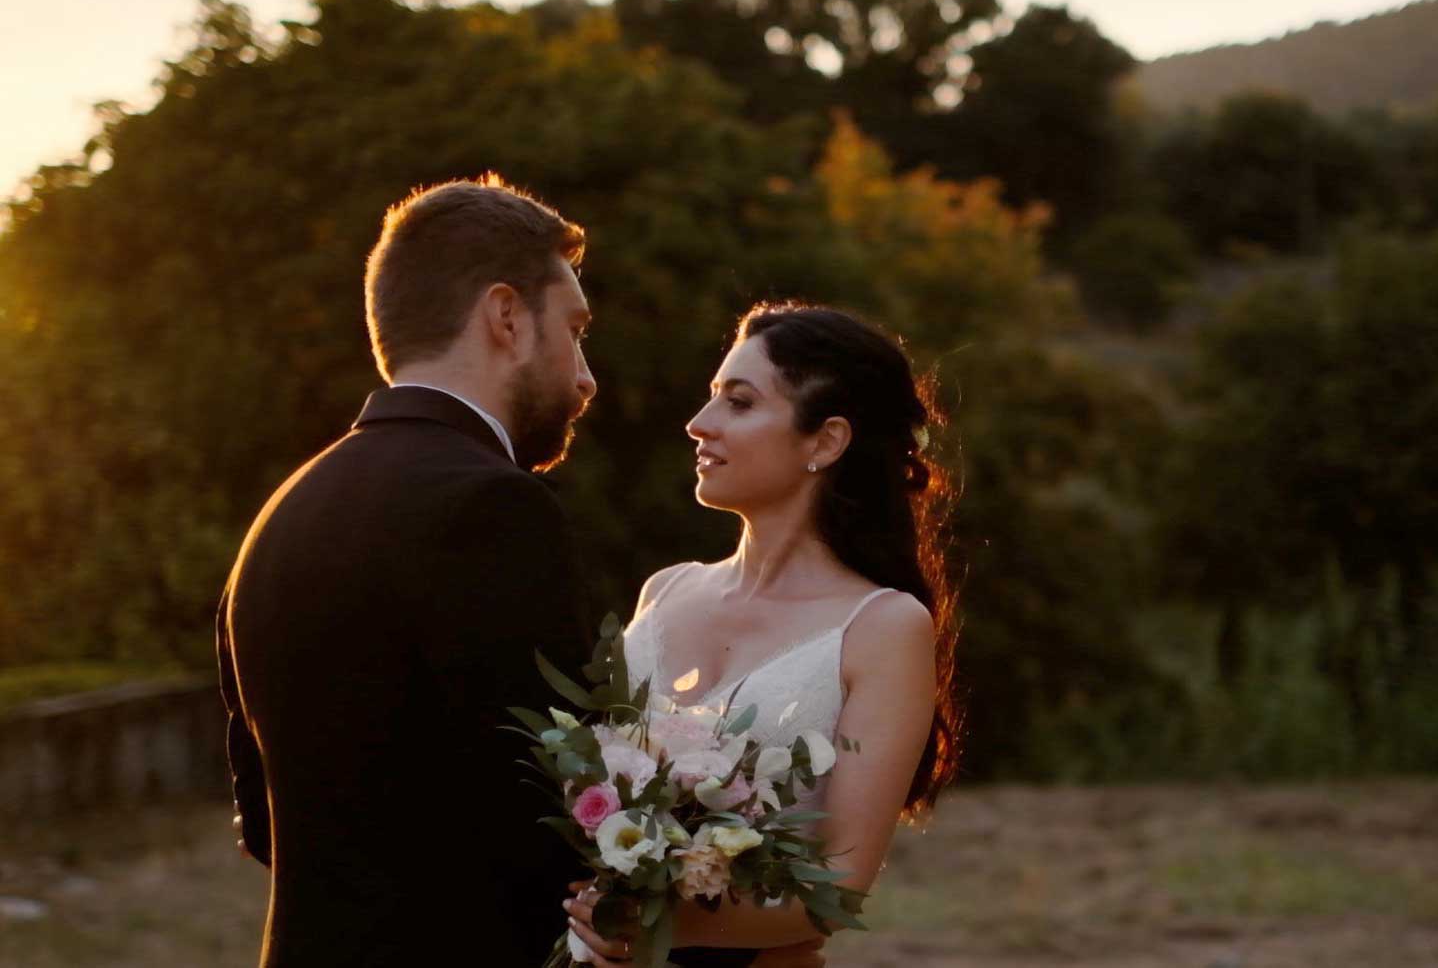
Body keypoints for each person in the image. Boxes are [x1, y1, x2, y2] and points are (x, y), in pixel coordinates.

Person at [217, 175, 601, 965]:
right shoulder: (493, 508)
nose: (585, 374)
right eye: (576, 328)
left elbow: (264, 824)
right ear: (505, 317)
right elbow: (555, 819)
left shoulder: (282, 512)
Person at [564, 302, 964, 967]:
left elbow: (835, 888)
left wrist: (651, 927)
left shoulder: (883, 627)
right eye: (712, 397)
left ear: (825, 441)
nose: (699, 424)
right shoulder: (664, 591)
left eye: (739, 403)